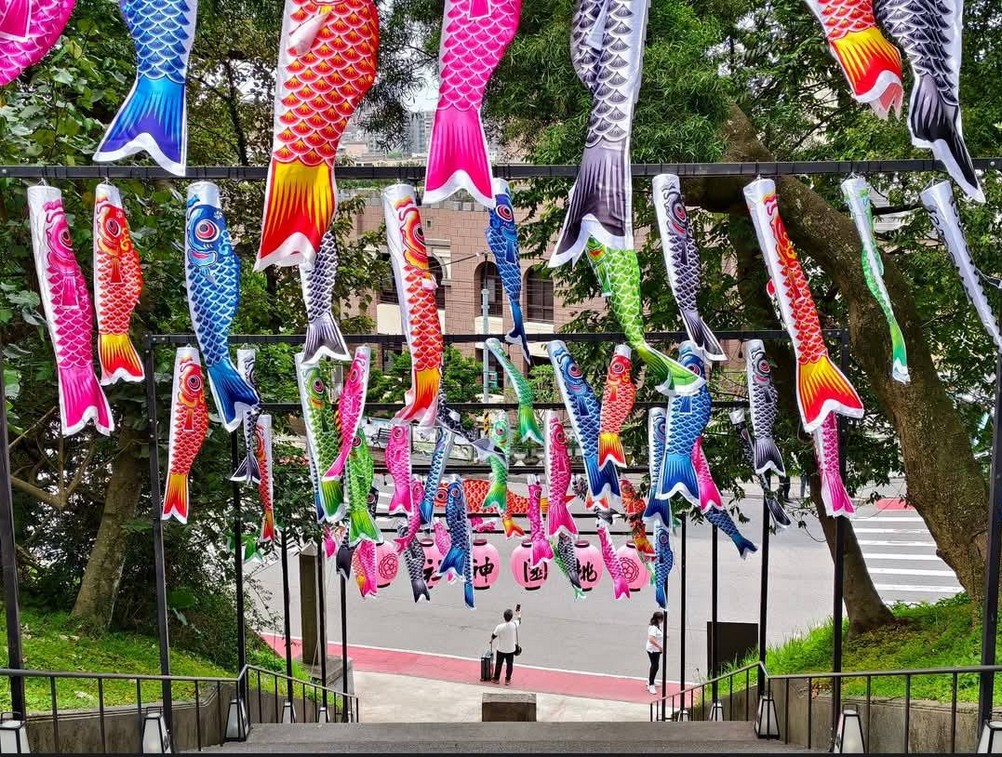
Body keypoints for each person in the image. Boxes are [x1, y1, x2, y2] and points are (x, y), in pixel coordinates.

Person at [489, 603, 522, 685]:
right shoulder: (514, 624)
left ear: (504, 617)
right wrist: (519, 612)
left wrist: (491, 640)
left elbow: (494, 635)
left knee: (499, 664)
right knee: (509, 665)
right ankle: (507, 680)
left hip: (501, 649)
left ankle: (496, 679)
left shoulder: (500, 627)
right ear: (511, 617)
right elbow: (519, 620)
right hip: (511, 649)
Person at [646, 611, 665, 695]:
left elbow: (657, 635)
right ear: (658, 619)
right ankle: (651, 685)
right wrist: (660, 647)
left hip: (655, 650)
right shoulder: (654, 627)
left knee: (654, 665)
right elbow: (651, 639)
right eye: (661, 619)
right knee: (655, 666)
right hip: (653, 650)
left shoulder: (657, 626)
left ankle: (651, 680)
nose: (662, 620)